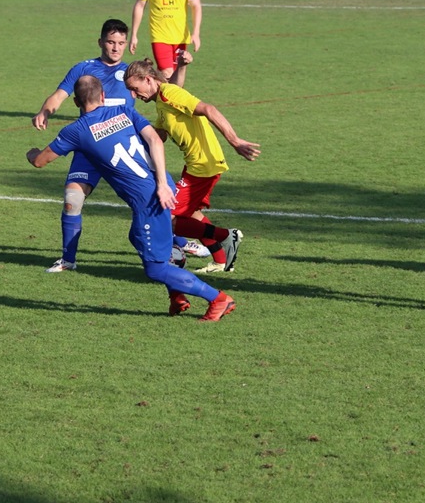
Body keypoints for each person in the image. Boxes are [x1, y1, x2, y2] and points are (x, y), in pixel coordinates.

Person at [28, 75, 237, 321]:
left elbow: (40, 161)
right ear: (103, 96)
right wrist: (162, 182)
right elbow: (154, 140)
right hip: (164, 187)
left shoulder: (76, 131)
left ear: (76, 102)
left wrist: (31, 153)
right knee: (136, 237)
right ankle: (177, 296)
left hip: (149, 201)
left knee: (155, 268)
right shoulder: (125, 111)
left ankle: (218, 298)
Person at [32, 19, 204, 272]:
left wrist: (181, 66)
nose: (115, 48)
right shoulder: (83, 69)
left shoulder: (131, 75)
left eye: (121, 43)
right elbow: (59, 95)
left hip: (125, 149)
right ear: (100, 42)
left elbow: (168, 90)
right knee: (72, 199)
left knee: (153, 197)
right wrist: (44, 112)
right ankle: (68, 260)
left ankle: (178, 242)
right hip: (89, 148)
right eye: (111, 42)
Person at [124, 59, 259, 273]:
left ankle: (226, 236)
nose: (134, 95)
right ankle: (221, 260)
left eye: (134, 88)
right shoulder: (161, 101)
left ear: (148, 79)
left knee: (167, 216)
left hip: (203, 166)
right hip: (195, 165)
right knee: (192, 214)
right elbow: (159, 135)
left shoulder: (169, 93)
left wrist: (235, 140)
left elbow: (208, 109)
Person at [129, 0, 201, 87]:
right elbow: (140, 5)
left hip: (181, 36)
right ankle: (166, 102)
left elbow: (196, 5)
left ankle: (156, 84)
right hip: (159, 35)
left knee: (177, 76)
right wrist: (134, 35)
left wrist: (196, 33)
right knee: (168, 74)